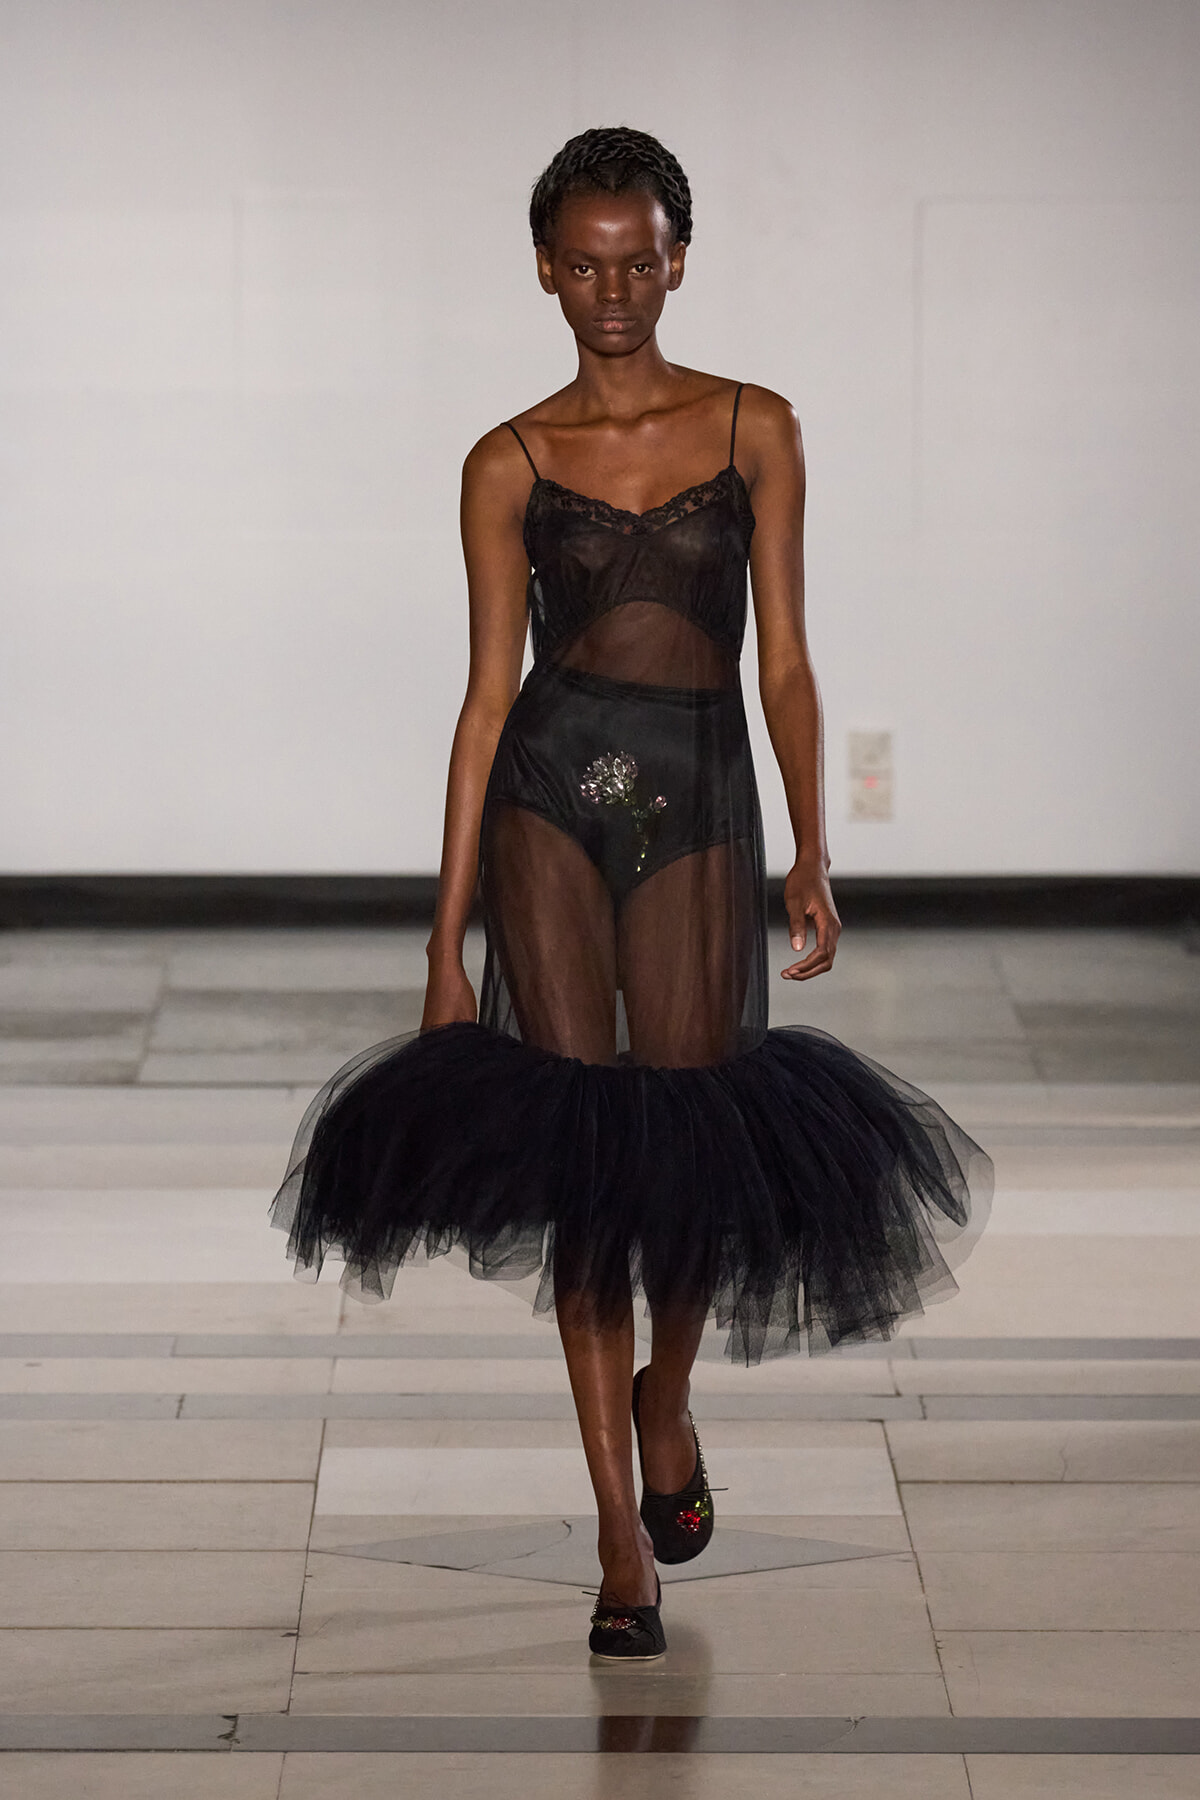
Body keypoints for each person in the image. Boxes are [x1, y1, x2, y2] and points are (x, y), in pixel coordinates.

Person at [272, 126, 991, 1662]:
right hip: (551, 800)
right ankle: (617, 1530)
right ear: (545, 268)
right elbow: (482, 702)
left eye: (638, 259)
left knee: (688, 1137)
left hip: (700, 800)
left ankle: (669, 1396)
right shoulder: (509, 460)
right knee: (592, 1161)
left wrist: (813, 845)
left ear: (678, 255)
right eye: (583, 264)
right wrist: (443, 938)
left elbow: (784, 659)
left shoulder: (755, 426)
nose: (612, 288)